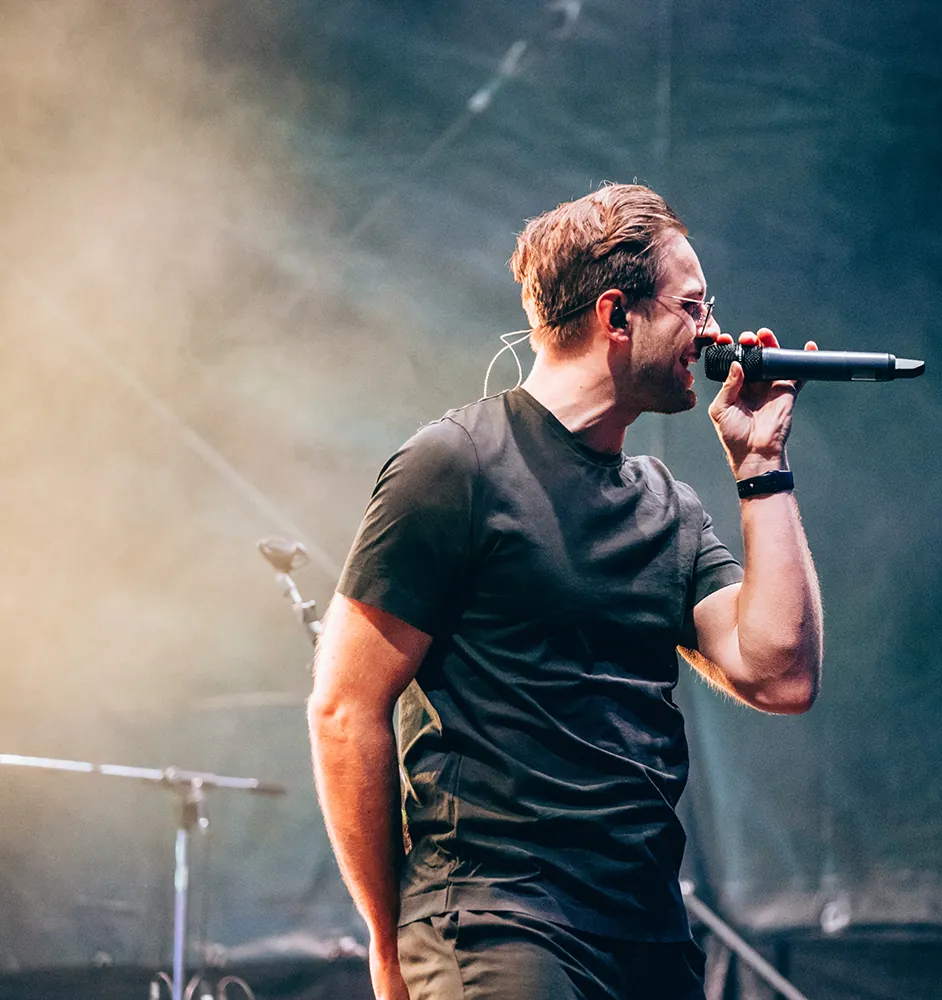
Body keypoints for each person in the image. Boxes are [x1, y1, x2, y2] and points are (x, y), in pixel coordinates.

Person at [307, 183, 824, 1000]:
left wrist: (762, 467)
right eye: (692, 307)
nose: (714, 333)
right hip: (497, 920)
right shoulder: (457, 465)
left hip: (646, 932)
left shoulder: (669, 508)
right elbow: (344, 709)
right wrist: (387, 942)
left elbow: (780, 673)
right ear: (618, 316)